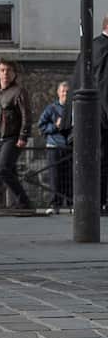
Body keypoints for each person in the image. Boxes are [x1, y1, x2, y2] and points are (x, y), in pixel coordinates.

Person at [72, 14, 108, 213]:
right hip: (102, 116)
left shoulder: (91, 47)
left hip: (91, 116)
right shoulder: (103, 49)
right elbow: (104, 85)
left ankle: (96, 200)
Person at [0, 58, 32, 210]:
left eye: (9, 70)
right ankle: (17, 202)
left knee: (2, 169)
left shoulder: (18, 92)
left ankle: (23, 200)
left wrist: (23, 136)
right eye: (2, 70)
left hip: (12, 137)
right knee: (9, 170)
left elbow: (26, 115)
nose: (5, 73)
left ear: (14, 74)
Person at [38, 81, 72, 209]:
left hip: (70, 147)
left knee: (69, 177)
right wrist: (55, 126)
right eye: (63, 91)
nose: (65, 94)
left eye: (68, 92)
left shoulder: (74, 109)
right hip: (54, 147)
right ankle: (54, 204)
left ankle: (70, 204)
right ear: (58, 93)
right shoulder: (51, 109)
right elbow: (41, 127)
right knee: (55, 177)